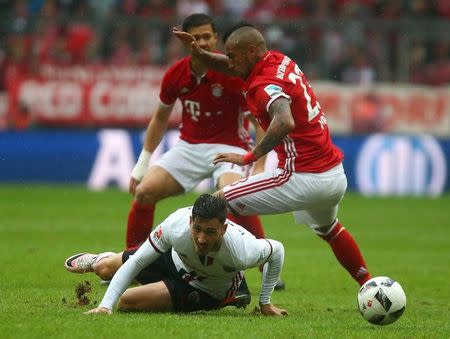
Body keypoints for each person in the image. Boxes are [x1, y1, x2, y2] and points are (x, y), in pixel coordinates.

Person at [173, 23, 372, 286]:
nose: (229, 63)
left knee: (216, 204)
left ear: (251, 51)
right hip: (333, 176)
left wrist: (250, 156)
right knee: (329, 228)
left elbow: (284, 120)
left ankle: (223, 284)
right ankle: (371, 284)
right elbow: (235, 68)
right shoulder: (278, 60)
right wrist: (202, 54)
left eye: (232, 56)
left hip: (301, 176)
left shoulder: (263, 84)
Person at [126, 14, 266, 259]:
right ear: (186, 41)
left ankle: (265, 260)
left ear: (216, 39)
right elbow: (159, 118)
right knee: (145, 191)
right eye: (196, 37)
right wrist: (141, 165)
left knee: (235, 195)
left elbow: (259, 120)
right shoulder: (175, 75)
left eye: (206, 37)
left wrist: (260, 166)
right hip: (189, 147)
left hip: (230, 147)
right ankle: (131, 261)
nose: (202, 43)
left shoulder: (234, 73)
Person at [64, 194, 287, 316]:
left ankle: (232, 294)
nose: (201, 239)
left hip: (202, 288)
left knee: (126, 301)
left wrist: (265, 302)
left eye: (210, 232)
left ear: (223, 229)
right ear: (190, 221)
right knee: (104, 269)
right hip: (175, 258)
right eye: (197, 229)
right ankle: (98, 260)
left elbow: (277, 250)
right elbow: (139, 260)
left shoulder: (242, 251)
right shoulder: (176, 225)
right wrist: (105, 306)